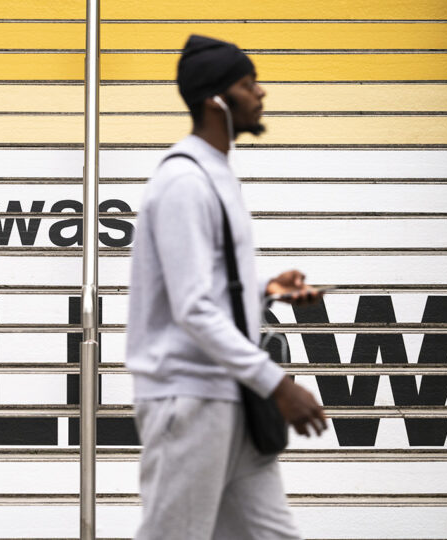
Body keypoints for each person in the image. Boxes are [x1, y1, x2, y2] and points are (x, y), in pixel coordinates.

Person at [125, 35, 328, 539]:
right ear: (216, 101)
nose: (261, 93)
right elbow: (192, 306)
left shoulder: (217, 176)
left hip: (231, 399)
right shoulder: (184, 183)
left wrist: (263, 287)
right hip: (188, 401)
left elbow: (207, 284)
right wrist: (278, 385)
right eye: (247, 83)